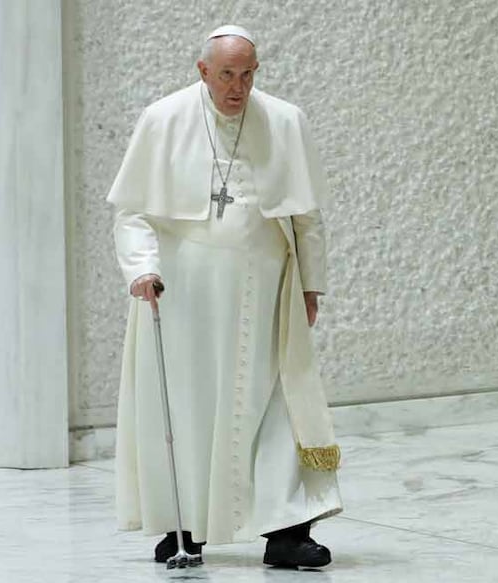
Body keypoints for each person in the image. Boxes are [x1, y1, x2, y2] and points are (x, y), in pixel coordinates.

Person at [106, 25, 343, 569]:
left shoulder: (285, 121)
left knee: (278, 407)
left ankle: (286, 531)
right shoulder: (162, 119)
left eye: (249, 74)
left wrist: (311, 284)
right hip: (183, 294)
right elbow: (133, 210)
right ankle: (185, 525)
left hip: (267, 294)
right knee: (185, 408)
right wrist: (142, 269)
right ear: (203, 71)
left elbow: (307, 217)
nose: (239, 88)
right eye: (228, 75)